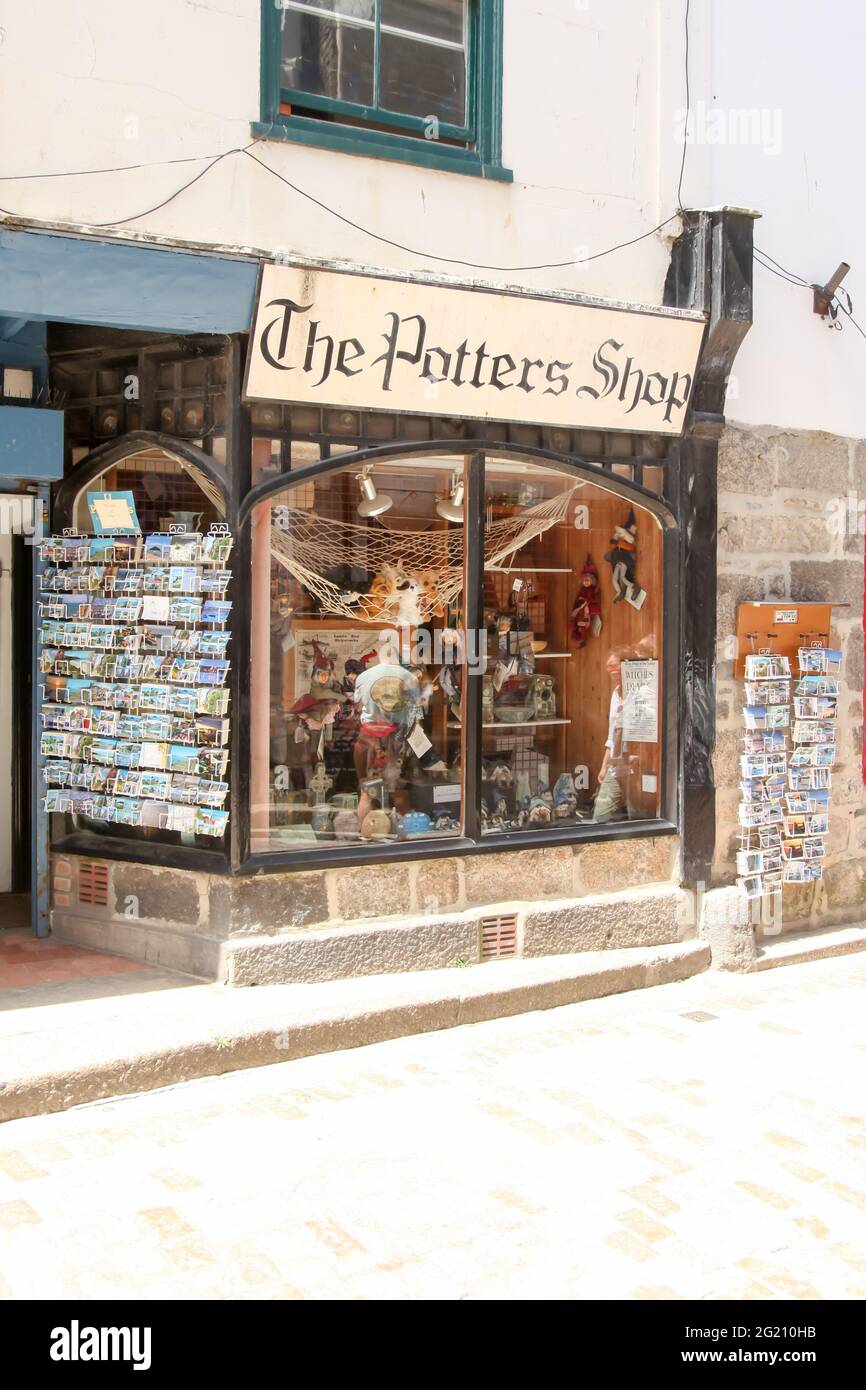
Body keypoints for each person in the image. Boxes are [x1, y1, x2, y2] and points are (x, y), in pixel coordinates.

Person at [593, 646, 634, 822]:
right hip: (616, 766)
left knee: (641, 819)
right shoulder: (616, 694)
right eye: (608, 668)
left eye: (614, 666)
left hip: (636, 768)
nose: (611, 672)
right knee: (601, 816)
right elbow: (612, 735)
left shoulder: (640, 693)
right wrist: (604, 766)